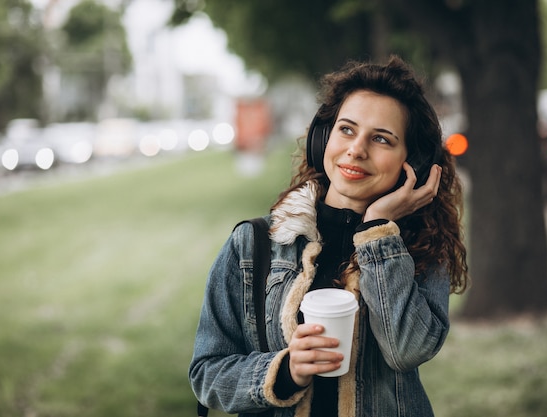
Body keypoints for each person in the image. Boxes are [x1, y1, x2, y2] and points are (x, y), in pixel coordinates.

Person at [189, 55, 469, 417]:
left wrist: (378, 230)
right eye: (347, 129)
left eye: (381, 139)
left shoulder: (421, 249)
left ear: (411, 162)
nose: (356, 149)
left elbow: (407, 351)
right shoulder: (252, 244)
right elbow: (206, 372)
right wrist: (285, 372)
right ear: (323, 137)